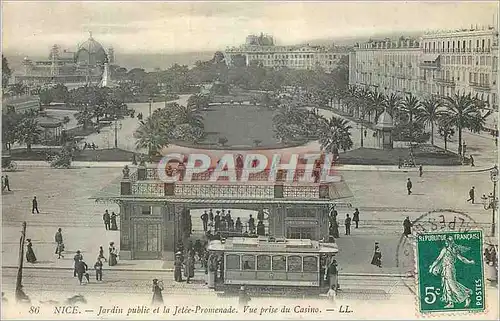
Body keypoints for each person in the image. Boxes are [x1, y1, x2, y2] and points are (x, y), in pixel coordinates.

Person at [429, 236, 475, 308]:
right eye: (446, 241)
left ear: (451, 242)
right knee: (447, 285)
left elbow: (462, 258)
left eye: (448, 241)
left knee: (453, 285)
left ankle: (466, 297)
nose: (446, 243)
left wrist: (469, 262)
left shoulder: (454, 250)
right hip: (445, 269)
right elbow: (438, 259)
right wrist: (432, 267)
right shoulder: (445, 249)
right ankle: (451, 303)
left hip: (450, 269)